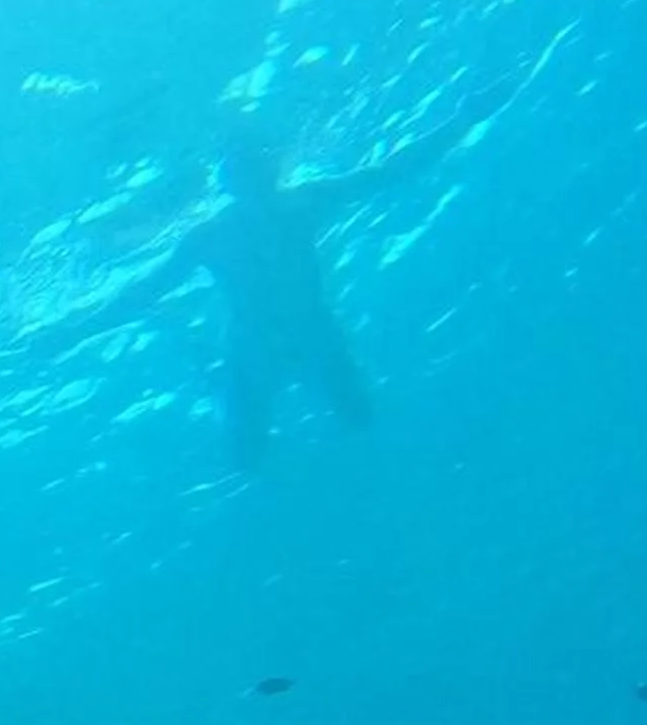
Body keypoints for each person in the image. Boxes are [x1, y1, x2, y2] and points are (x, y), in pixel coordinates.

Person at [64, 114, 452, 469]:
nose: (250, 168)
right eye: (240, 160)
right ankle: (210, 375)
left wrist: (462, 118)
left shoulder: (301, 202)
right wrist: (76, 331)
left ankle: (213, 375)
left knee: (358, 418)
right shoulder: (215, 234)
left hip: (305, 339)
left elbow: (390, 172)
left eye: (254, 156)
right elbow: (144, 291)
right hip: (256, 350)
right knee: (247, 454)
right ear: (227, 179)